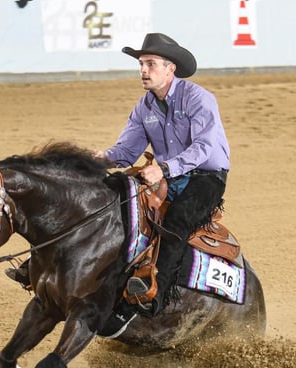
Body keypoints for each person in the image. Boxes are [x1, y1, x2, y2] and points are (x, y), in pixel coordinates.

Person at [95, 33, 231, 339]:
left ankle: (153, 296)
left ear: (170, 69)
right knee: (120, 201)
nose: (143, 70)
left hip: (206, 178)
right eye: (142, 64)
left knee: (177, 220)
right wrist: (97, 158)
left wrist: (165, 169)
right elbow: (126, 152)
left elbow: (204, 148)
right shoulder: (144, 107)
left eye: (150, 64)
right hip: (165, 174)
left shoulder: (198, 99)